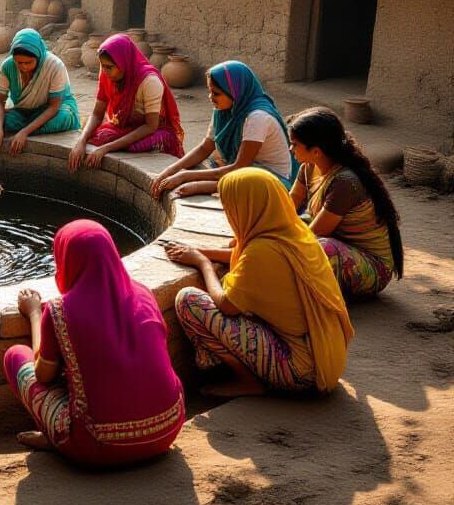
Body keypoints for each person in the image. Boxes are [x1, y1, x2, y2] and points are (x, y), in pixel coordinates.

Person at [3, 220, 184, 466]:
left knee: (15, 356)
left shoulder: (60, 311)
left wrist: (35, 313)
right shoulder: (143, 294)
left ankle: (59, 438)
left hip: (97, 445)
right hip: (167, 429)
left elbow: (43, 375)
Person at [165, 167, 354, 397]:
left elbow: (226, 305)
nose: (229, 213)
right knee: (232, 283)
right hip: (324, 356)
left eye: (230, 207)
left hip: (299, 370)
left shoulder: (261, 252)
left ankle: (248, 381)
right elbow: (245, 258)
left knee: (189, 301)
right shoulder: (296, 235)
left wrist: (203, 263)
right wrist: (199, 250)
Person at [288, 107, 403, 298]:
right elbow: (286, 207)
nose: (290, 149)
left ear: (316, 151)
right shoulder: (308, 168)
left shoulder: (344, 182)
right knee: (282, 228)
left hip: (371, 266)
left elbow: (313, 234)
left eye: (294, 144)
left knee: (313, 248)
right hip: (335, 242)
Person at [150, 60, 296, 199]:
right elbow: (205, 148)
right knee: (212, 159)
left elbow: (239, 168)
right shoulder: (224, 110)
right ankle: (215, 184)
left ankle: (215, 186)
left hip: (272, 178)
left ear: (235, 91)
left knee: (245, 183)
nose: (210, 97)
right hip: (247, 168)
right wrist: (169, 171)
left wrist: (186, 177)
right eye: (210, 91)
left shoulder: (257, 117)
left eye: (216, 93)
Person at [69, 34, 184, 172]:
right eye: (103, 66)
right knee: (95, 134)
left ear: (123, 63)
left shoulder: (149, 81)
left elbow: (150, 126)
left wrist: (106, 148)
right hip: (123, 126)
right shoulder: (107, 74)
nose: (105, 72)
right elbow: (97, 114)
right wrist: (81, 142)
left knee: (131, 146)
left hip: (150, 130)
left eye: (109, 67)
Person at [0, 28, 80, 155]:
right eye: (19, 63)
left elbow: (54, 107)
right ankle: (28, 126)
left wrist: (24, 132)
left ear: (39, 56)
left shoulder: (55, 66)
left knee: (63, 118)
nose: (24, 67)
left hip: (52, 111)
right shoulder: (7, 66)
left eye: (29, 62)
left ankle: (26, 128)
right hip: (23, 111)